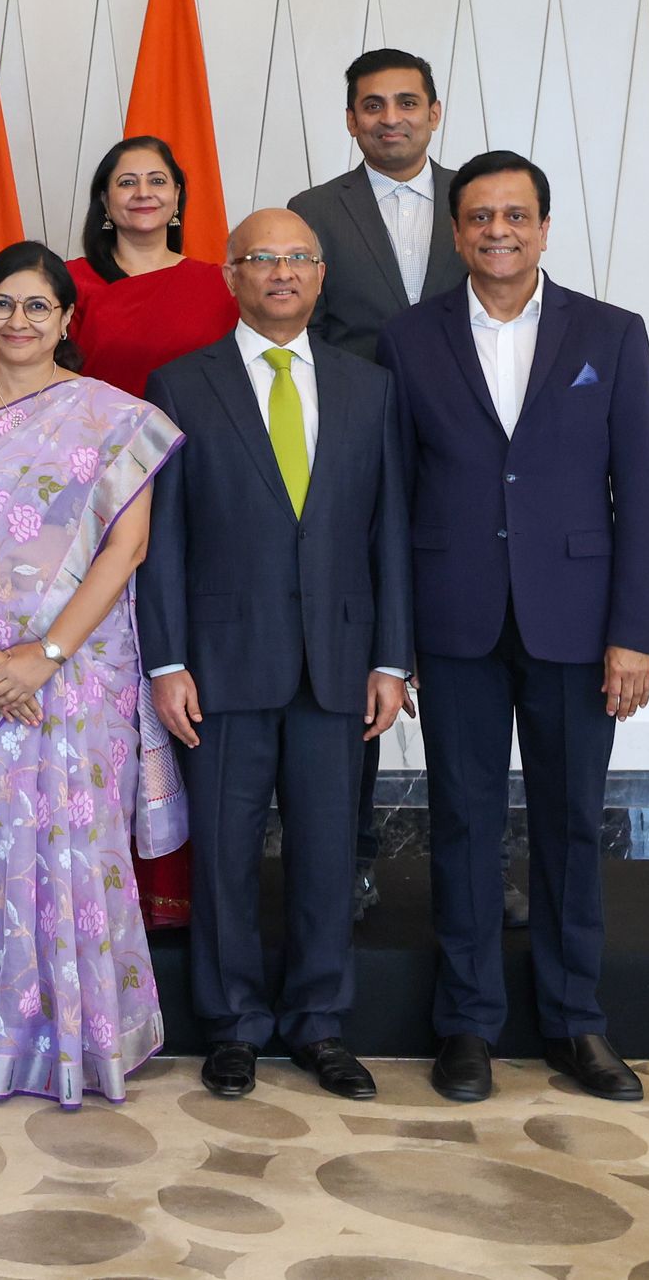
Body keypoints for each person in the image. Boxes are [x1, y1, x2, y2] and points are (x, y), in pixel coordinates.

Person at [378, 153, 649, 1105]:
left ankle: (576, 1020)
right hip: (452, 616)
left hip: (578, 623)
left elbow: (642, 494)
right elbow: (392, 496)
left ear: (544, 227)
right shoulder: (407, 338)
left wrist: (635, 631)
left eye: (515, 215)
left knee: (571, 821)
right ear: (456, 232)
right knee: (462, 822)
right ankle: (467, 1023)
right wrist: (395, 639)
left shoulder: (612, 333)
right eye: (479, 216)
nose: (497, 230)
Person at [137, 209, 412, 1101]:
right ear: (232, 275)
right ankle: (234, 1025)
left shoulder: (370, 387)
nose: (281, 272)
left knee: (328, 852)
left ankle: (319, 1021)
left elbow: (389, 532)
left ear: (322, 275)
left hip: (339, 662)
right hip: (220, 665)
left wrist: (393, 658)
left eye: (299, 257)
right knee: (223, 854)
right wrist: (166, 661)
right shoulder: (182, 383)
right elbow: (163, 537)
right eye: (262, 257)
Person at [0, 243, 179, 1105]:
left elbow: (126, 548)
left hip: (78, 670)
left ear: (66, 318)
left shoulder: (115, 418)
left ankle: (86, 1041)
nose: (18, 321)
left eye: (36, 306)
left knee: (77, 849)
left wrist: (45, 654)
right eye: (2, 304)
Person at [289, 50, 489, 924]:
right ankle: (352, 861)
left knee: (466, 681)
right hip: (351, 465)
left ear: (435, 112)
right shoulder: (311, 211)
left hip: (462, 468)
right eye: (372, 105)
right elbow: (299, 333)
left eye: (408, 102)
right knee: (351, 671)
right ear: (351, 119)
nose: (391, 117)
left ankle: (475, 871)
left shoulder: (477, 203)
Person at [64, 135, 231, 927]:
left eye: (156, 179)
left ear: (178, 197)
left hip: (204, 507)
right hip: (92, 517)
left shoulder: (220, 285)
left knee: (187, 690)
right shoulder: (68, 285)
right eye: (124, 181)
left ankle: (180, 889)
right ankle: (105, 887)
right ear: (104, 200)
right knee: (103, 703)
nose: (141, 192)